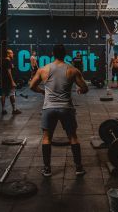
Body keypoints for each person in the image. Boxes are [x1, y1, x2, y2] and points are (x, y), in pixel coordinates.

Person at [30, 44, 89, 177]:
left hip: (49, 108)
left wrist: (42, 92)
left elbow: (31, 86)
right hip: (66, 108)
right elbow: (85, 88)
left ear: (53, 53)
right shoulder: (72, 70)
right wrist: (80, 89)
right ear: (65, 54)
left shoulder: (43, 69)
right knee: (73, 136)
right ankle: (78, 168)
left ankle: (47, 169)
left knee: (46, 138)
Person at [0, 49, 21, 115]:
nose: (13, 54)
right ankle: (14, 110)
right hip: (8, 81)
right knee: (12, 94)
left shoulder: (4, 61)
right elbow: (9, 72)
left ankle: (3, 110)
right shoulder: (8, 61)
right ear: (8, 54)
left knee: (3, 94)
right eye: (11, 53)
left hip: (4, 80)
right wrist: (12, 81)